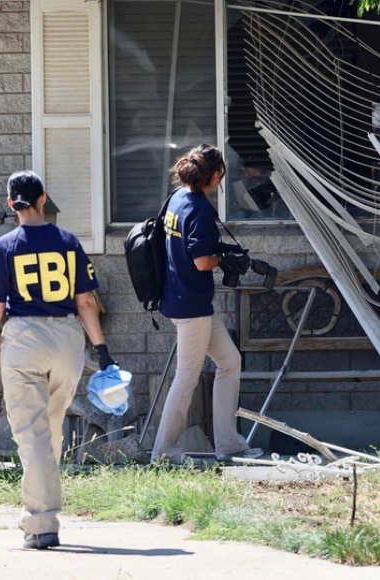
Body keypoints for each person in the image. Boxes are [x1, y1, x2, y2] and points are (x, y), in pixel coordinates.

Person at [0, 170, 116, 550]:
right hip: (68, 339)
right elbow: (85, 303)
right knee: (51, 429)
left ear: (11, 203)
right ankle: (44, 512)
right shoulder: (69, 242)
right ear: (43, 198)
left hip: (25, 339)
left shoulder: (5, 246)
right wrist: (103, 352)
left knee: (31, 434)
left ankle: (42, 524)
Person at [150, 143, 263, 464]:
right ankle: (163, 453)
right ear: (215, 176)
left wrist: (222, 250)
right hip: (191, 306)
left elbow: (188, 246)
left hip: (183, 299)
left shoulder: (177, 198)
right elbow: (201, 261)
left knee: (229, 362)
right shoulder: (198, 207)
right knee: (186, 378)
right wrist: (223, 259)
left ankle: (228, 444)